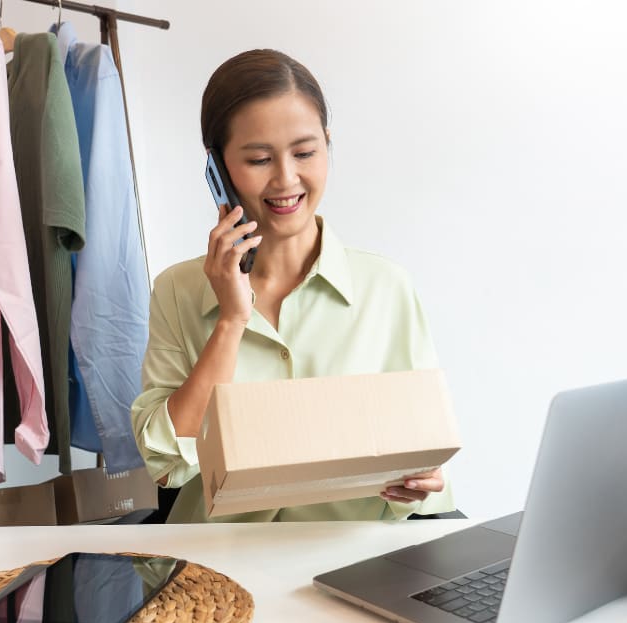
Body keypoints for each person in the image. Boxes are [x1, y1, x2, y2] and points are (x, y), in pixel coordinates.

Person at [132, 49, 454, 523]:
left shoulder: (387, 288)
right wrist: (231, 320)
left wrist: (425, 483)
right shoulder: (177, 290)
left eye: (305, 153)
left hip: (353, 565)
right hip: (216, 576)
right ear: (218, 170)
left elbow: (430, 467)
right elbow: (165, 465)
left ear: (327, 144)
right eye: (259, 159)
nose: (286, 179)